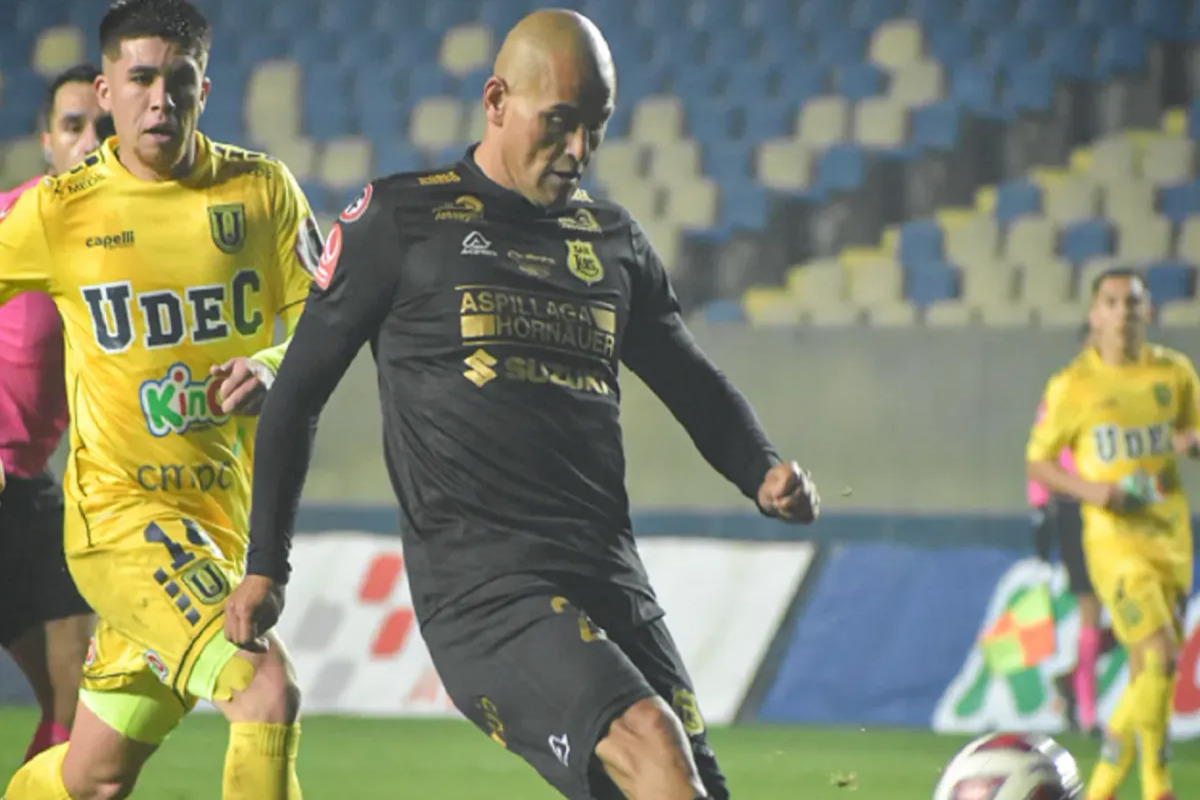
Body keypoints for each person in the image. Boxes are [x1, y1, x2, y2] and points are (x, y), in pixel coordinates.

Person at [225, 9, 819, 800]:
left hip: (611, 577)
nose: (580, 152)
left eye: (597, 129)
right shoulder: (403, 220)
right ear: (497, 99)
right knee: (653, 747)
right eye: (562, 123)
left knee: (695, 787)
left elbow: (688, 379)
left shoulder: (612, 241)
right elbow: (296, 393)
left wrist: (761, 469)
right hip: (485, 588)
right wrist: (267, 562)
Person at [1, 0, 320, 797]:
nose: (160, 100)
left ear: (204, 89)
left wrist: (276, 365)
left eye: (179, 81)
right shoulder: (59, 209)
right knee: (265, 690)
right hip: (119, 524)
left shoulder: (262, 192)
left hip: (219, 527)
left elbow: (327, 322)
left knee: (94, 776)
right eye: (140, 78)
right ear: (106, 90)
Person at [1027, 268, 1197, 800]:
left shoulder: (1175, 374)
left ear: (1149, 312)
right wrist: (1091, 491)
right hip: (1112, 543)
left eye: (1133, 302)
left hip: (1169, 536)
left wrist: (1190, 441)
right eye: (1111, 301)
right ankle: (1151, 785)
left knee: (1153, 668)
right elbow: (1038, 463)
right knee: (1161, 654)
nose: (1123, 311)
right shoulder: (1072, 385)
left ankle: (1116, 786)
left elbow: (1192, 429)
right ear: (1095, 314)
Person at [0, 63, 108, 765]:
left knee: (79, 711)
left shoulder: (141, 253)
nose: (90, 141)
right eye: (73, 127)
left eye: (103, 127)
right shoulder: (11, 221)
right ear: (48, 141)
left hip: (33, 489)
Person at [1027, 324, 1115, 737]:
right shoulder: (1063, 390)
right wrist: (1040, 506)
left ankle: (1071, 678)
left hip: (1121, 510)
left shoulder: (1132, 390)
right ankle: (1089, 714)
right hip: (1075, 509)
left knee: (1157, 611)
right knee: (1090, 608)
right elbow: (1041, 450)